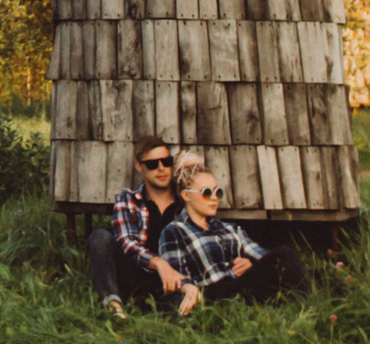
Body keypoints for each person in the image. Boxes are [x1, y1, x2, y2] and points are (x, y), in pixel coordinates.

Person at [156, 167, 313, 313]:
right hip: (212, 295)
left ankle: (309, 305)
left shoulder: (230, 228)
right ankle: (308, 308)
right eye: (206, 192)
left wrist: (252, 264)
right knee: (284, 254)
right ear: (186, 195)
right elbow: (174, 277)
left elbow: (265, 257)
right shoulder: (174, 231)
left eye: (218, 192)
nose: (214, 198)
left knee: (295, 263)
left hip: (241, 287)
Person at [86, 136, 194, 318]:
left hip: (169, 282)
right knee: (99, 237)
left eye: (166, 162)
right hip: (132, 275)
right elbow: (127, 243)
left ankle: (154, 309)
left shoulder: (186, 200)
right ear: (139, 167)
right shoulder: (128, 198)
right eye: (152, 164)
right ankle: (114, 307)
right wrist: (159, 263)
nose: (161, 168)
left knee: (183, 316)